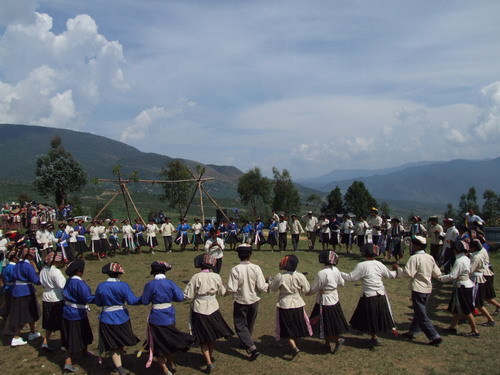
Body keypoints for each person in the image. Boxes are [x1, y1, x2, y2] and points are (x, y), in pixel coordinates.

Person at [140, 261, 195, 374]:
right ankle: (171, 362)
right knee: (169, 339)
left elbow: (145, 301)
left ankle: (165, 368)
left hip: (156, 317)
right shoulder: (170, 283)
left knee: (158, 342)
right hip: (169, 315)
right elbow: (180, 298)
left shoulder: (150, 285)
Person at [184, 254, 234, 374]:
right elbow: (222, 292)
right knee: (211, 336)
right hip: (213, 306)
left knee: (202, 337)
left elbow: (188, 295)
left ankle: (208, 361)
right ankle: (209, 357)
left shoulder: (196, 277)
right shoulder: (216, 276)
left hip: (199, 308)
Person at [341, 243, 397, 346]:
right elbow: (390, 275)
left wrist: (339, 274)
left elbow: (352, 278)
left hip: (369, 294)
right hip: (380, 294)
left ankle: (373, 336)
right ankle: (370, 334)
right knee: (373, 315)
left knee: (369, 315)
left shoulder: (362, 265)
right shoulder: (379, 264)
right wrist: (396, 270)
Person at [394, 236, 443, 346]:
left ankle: (434, 336)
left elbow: (408, 273)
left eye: (412, 244)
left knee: (421, 314)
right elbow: (437, 273)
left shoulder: (414, 258)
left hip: (418, 288)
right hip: (428, 288)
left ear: (416, 246)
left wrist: (398, 269)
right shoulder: (429, 257)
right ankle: (413, 331)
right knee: (419, 311)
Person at [94, 263, 141, 375]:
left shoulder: (101, 286)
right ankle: (120, 369)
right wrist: (144, 299)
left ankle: (118, 367)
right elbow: (132, 300)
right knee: (119, 343)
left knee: (112, 345)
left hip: (107, 318)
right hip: (122, 317)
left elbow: (98, 302)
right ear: (119, 274)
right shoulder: (124, 286)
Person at [226, 245, 268, 360]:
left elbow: (232, 288)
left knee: (240, 325)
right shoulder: (256, 268)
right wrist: (268, 285)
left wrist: (224, 291)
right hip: (254, 299)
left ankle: (251, 348)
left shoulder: (236, 269)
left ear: (239, 255)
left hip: (240, 300)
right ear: (250, 255)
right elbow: (261, 286)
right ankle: (245, 342)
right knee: (250, 322)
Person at [307, 250, 348, 353]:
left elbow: (314, 289)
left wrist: (306, 292)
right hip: (334, 297)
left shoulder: (322, 273)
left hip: (324, 300)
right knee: (328, 323)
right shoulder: (336, 270)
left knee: (325, 322)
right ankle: (327, 344)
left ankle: (337, 339)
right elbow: (342, 283)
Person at [438, 240, 480, 337]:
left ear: (455, 250)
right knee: (457, 308)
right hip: (465, 284)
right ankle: (452, 327)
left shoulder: (459, 261)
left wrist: (441, 278)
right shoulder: (465, 258)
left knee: (466, 310)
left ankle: (475, 331)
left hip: (462, 286)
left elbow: (453, 275)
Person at [61, 260, 95, 372]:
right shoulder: (79, 283)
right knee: (73, 337)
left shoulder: (69, 281)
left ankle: (84, 351)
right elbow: (87, 297)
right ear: (79, 272)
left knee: (84, 333)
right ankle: (68, 362)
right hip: (76, 314)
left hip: (68, 311)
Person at [8, 244, 42, 347]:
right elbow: (35, 280)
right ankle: (16, 337)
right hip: (25, 291)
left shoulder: (18, 264)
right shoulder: (27, 266)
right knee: (22, 314)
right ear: (29, 256)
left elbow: (14, 276)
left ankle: (32, 332)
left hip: (17, 290)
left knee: (30, 311)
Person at [39, 251, 66, 351]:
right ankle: (64, 343)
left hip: (46, 296)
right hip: (56, 297)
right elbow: (63, 285)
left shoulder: (43, 270)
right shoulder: (56, 272)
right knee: (63, 322)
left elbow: (41, 282)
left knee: (49, 322)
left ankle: (45, 342)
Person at [469, 239, 496, 326]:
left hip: (476, 279)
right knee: (475, 301)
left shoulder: (475, 257)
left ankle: (490, 320)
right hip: (478, 278)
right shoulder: (478, 253)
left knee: (478, 302)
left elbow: (471, 269)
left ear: (473, 248)